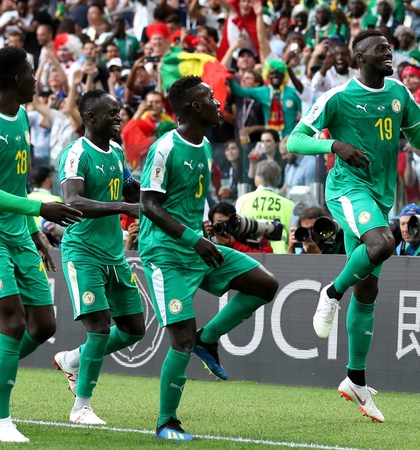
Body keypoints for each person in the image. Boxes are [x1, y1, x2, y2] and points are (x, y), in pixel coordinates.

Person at [286, 29, 420, 423]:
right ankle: (330, 293)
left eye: (390, 47)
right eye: (379, 48)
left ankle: (356, 380)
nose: (388, 52)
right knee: (382, 244)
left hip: (380, 196)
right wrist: (334, 145)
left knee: (369, 288)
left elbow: (417, 137)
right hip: (348, 188)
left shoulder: (398, 92)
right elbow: (295, 141)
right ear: (358, 56)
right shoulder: (338, 98)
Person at [0, 47, 82, 443]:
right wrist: (39, 208)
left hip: (18, 232)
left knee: (43, 325)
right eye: (30, 73)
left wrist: (34, 230)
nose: (36, 79)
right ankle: (1, 422)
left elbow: (16, 183)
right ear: (13, 79)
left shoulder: (23, 116)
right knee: (10, 323)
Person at [139, 76, 279, 441]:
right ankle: (166, 422)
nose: (219, 102)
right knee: (180, 340)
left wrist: (200, 229)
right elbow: (148, 205)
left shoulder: (202, 145)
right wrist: (191, 237)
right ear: (194, 107)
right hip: (165, 253)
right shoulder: (165, 147)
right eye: (211, 97)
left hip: (195, 244)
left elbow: (182, 200)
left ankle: (209, 338)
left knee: (265, 285)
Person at [51, 89, 146, 425]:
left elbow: (131, 187)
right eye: (112, 112)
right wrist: (122, 206)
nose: (119, 117)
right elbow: (72, 201)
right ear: (91, 118)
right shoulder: (76, 154)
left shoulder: (118, 152)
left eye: (119, 111)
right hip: (83, 252)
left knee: (135, 329)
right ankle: (81, 407)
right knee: (100, 329)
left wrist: (155, 192)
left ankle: (73, 359)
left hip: (114, 255)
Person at [236, 159, 293, 253]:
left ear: (257, 178)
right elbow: (292, 236)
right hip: (279, 258)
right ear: (278, 179)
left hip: (249, 257)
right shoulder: (288, 204)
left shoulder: (243, 200)